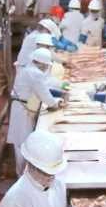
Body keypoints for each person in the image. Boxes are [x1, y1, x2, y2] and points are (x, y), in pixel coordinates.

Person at [7, 48, 64, 176]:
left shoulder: (29, 70)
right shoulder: (34, 73)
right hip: (22, 109)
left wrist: (60, 88)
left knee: (22, 140)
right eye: (45, 65)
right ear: (41, 63)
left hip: (25, 105)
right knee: (22, 141)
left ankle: (22, 173)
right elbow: (44, 93)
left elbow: (45, 84)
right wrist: (55, 103)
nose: (46, 67)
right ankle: (22, 175)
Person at [0, 130, 67, 207]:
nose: (51, 177)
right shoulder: (15, 201)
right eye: (45, 172)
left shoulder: (59, 185)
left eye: (53, 173)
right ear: (31, 165)